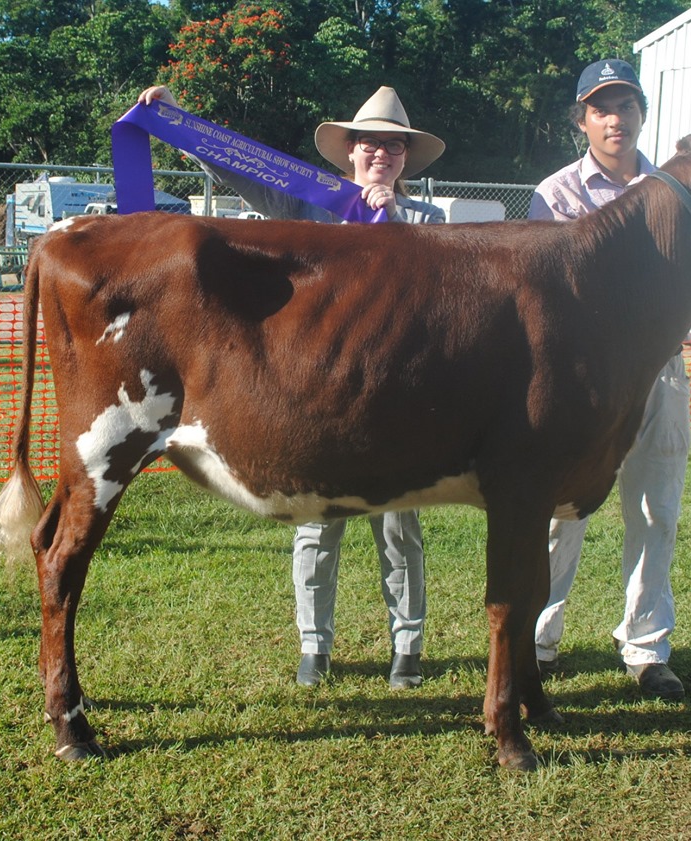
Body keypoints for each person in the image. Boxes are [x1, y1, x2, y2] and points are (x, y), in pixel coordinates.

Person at [137, 84, 446, 689]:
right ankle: (315, 646)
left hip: (398, 399)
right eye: (368, 144)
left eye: (392, 146)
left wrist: (394, 215)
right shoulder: (307, 202)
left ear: (405, 157)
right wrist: (178, 119)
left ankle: (407, 647)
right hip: (320, 393)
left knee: (401, 528)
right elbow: (236, 166)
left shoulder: (428, 220)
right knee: (315, 523)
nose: (379, 154)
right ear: (348, 152)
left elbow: (442, 285)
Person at [527, 59, 690, 700]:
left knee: (656, 510)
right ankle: (536, 642)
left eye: (626, 105)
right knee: (561, 511)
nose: (615, 118)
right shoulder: (556, 193)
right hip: (581, 381)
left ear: (643, 114)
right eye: (602, 108)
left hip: (662, 371)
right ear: (583, 120)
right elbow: (552, 289)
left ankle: (647, 649)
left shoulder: (677, 188)